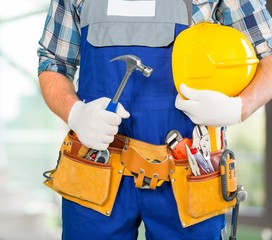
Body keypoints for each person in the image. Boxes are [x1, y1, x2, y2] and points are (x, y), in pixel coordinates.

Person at [37, 0, 272, 239]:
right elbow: (52, 62)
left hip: (187, 171)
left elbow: (270, 57)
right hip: (95, 168)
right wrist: (75, 113)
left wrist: (239, 108)